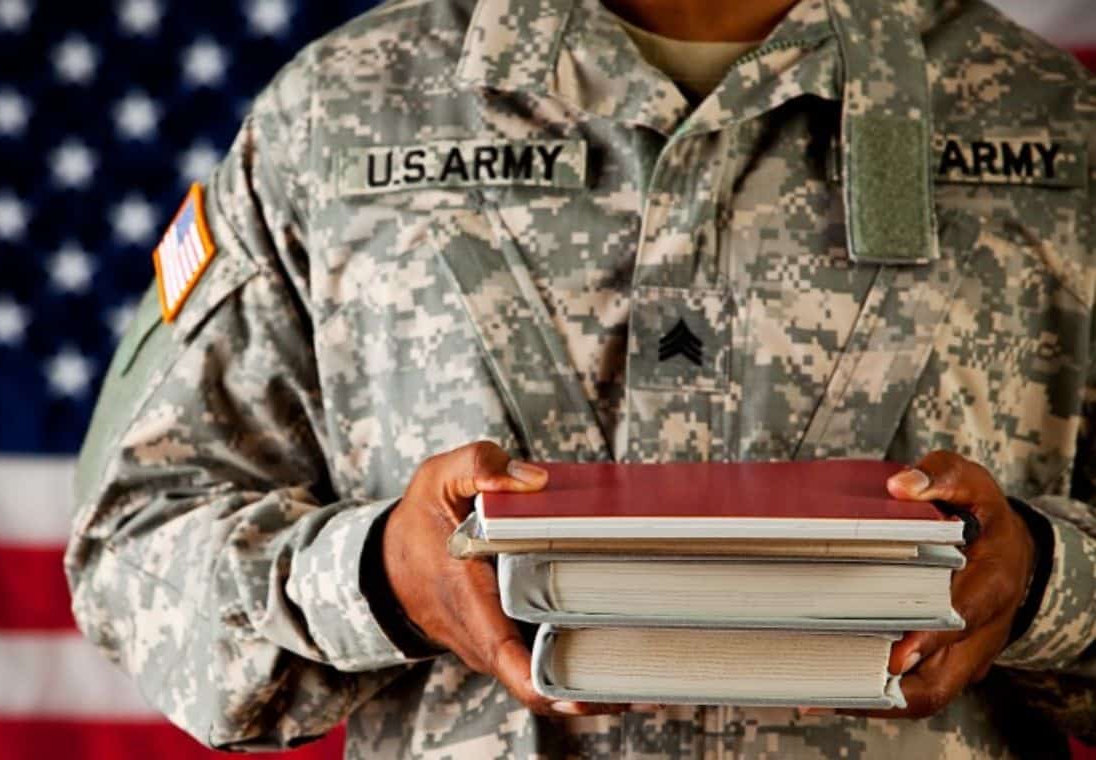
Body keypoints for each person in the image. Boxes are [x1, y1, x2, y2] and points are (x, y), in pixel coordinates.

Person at [65, 0, 1095, 755]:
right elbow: (135, 547)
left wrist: (1044, 579)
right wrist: (378, 577)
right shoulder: (344, 115)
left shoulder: (1058, 127)